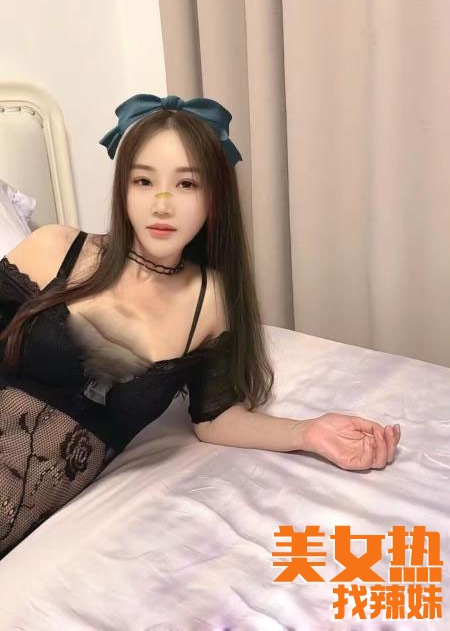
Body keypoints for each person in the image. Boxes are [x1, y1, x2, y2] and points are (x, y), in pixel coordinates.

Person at [0, 94, 401, 559]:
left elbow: (214, 418)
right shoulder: (55, 249)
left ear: (214, 196)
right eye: (144, 181)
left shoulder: (209, 303)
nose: (162, 205)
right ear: (123, 189)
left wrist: (307, 432)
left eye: (186, 184)